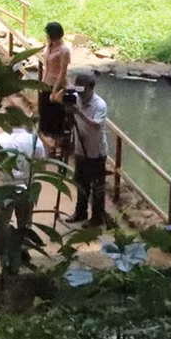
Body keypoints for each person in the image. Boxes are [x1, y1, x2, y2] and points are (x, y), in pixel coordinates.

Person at [0, 124, 45, 270]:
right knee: (25, 222)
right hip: (27, 186)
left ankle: (1, 252)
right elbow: (41, 163)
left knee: (2, 220)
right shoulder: (34, 140)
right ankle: (23, 251)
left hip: (5, 187)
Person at [64, 72, 109, 226]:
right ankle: (80, 212)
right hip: (80, 149)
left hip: (95, 152)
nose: (80, 96)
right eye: (79, 92)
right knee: (81, 183)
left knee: (96, 186)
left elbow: (96, 125)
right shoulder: (76, 98)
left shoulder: (100, 104)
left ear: (91, 88)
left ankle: (97, 217)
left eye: (83, 92)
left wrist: (79, 112)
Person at [38, 22, 73, 148]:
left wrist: (55, 90)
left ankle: (56, 144)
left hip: (56, 85)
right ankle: (47, 142)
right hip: (45, 83)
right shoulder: (50, 46)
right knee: (44, 113)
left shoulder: (64, 50)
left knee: (55, 115)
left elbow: (62, 72)